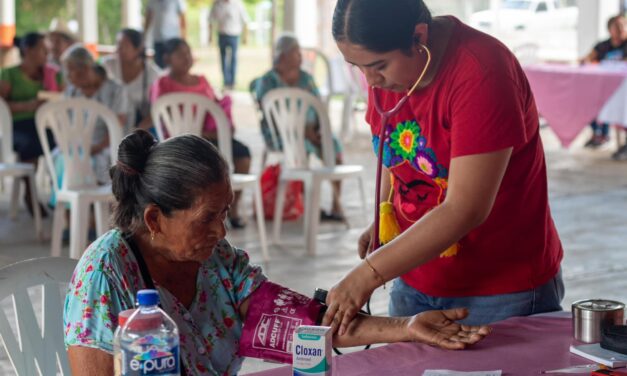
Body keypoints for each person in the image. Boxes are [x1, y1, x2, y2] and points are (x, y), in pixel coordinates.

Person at [63, 129, 490, 375]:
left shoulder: (215, 259)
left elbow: (304, 326)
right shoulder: (106, 277)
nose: (222, 230)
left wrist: (407, 325)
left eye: (225, 212)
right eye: (207, 218)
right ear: (155, 219)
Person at [322, 0, 565, 334]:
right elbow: (395, 154)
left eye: (378, 66)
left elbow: (465, 209)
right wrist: (383, 219)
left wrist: (369, 273)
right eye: (357, 67)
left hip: (498, 289)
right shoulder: (390, 73)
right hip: (415, 281)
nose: (371, 81)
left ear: (418, 36)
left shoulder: (481, 71)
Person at [151, 37, 250, 228]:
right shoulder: (162, 84)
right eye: (180, 54)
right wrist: (195, 131)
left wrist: (220, 126)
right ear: (167, 58)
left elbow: (215, 108)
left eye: (188, 53)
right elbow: (164, 117)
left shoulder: (202, 80)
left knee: (242, 154)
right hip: (178, 142)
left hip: (209, 137)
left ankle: (232, 209)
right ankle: (201, 215)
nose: (186, 57)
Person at [254, 33, 346, 221]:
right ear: (283, 56)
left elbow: (318, 106)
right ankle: (306, 205)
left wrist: (317, 130)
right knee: (301, 151)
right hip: (281, 134)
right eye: (296, 52)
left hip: (312, 131)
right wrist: (301, 131)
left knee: (333, 147)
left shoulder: (306, 79)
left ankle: (336, 205)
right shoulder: (267, 81)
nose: (300, 56)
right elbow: (270, 114)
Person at [0, 32, 62, 215]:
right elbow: (1, 106)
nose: (47, 54)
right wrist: (29, 105)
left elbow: (66, 98)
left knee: (63, 143)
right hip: (17, 127)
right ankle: (30, 193)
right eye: (43, 49)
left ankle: (57, 194)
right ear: (28, 50)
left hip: (48, 125)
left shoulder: (52, 75)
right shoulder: (9, 74)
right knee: (31, 142)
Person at [60, 45, 130, 185]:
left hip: (107, 146)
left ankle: (91, 203)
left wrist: (95, 148)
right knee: (62, 158)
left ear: (84, 69)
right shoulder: (71, 92)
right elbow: (64, 126)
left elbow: (117, 125)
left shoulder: (115, 90)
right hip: (78, 147)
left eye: (70, 71)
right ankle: (72, 204)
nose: (67, 77)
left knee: (98, 161)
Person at [101, 28, 161, 132]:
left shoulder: (153, 74)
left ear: (139, 49)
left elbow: (157, 109)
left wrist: (136, 131)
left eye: (125, 46)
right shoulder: (107, 66)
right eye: (118, 45)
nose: (119, 49)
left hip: (140, 127)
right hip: (109, 125)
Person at [581, 15, 627, 150]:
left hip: (623, 90)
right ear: (609, 29)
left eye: (623, 25)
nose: (621, 28)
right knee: (586, 99)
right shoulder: (602, 46)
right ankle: (599, 134)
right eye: (617, 26)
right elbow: (587, 58)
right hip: (603, 88)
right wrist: (586, 61)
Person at [209, 0, 249, 90]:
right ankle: (226, 81)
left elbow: (245, 20)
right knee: (223, 59)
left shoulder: (238, 3)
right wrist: (210, 35)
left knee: (233, 59)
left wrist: (245, 36)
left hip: (234, 35)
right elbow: (211, 20)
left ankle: (232, 81)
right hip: (222, 34)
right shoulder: (217, 4)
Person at [144, 0, 186, 69]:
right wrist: (144, 36)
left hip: (172, 39)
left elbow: (183, 20)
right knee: (158, 67)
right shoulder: (152, 1)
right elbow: (148, 18)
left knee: (173, 66)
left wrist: (183, 39)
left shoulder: (177, 1)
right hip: (157, 39)